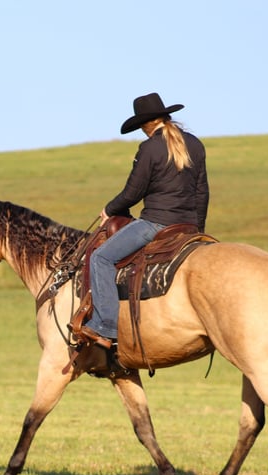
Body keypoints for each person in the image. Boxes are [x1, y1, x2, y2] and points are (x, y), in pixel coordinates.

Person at [78, 92, 209, 349]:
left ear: (145, 125)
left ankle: (105, 327)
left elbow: (132, 193)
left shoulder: (149, 148)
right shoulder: (195, 144)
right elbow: (202, 192)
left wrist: (109, 208)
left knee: (101, 258)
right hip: (188, 227)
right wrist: (197, 230)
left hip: (156, 224)